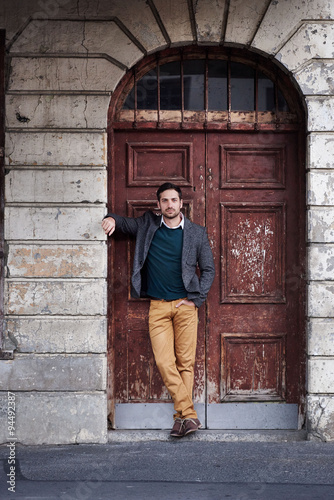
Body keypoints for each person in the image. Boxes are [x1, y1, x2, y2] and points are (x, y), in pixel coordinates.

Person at [102, 182, 215, 437]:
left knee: (185, 364)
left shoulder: (196, 233)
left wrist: (197, 300)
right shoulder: (147, 225)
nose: (170, 205)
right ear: (158, 205)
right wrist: (109, 218)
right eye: (165, 201)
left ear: (181, 203)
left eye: (174, 200)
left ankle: (181, 419)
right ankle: (190, 414)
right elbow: (123, 223)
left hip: (185, 306)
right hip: (158, 307)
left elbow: (209, 269)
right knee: (165, 362)